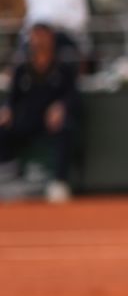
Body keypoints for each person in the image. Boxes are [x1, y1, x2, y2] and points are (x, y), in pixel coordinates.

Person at [0, 23, 78, 203]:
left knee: (65, 129)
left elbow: (73, 97)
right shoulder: (22, 69)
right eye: (35, 36)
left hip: (51, 122)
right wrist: (7, 109)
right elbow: (12, 98)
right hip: (27, 119)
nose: (38, 41)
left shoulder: (63, 69)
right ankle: (7, 179)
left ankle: (59, 182)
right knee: (2, 127)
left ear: (51, 39)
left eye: (43, 36)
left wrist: (61, 106)